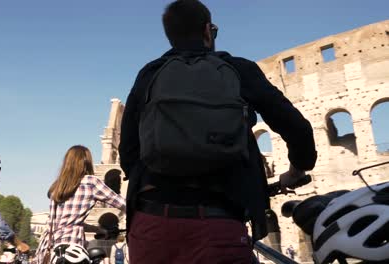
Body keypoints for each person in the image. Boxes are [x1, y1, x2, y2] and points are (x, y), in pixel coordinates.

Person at [118, 1, 317, 263]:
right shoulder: (237, 69)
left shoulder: (150, 74)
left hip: (153, 224)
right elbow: (297, 128)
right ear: (208, 31)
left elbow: (128, 153)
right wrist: (297, 170)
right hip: (217, 222)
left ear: (170, 35)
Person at [34, 145, 126, 263]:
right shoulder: (91, 182)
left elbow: (65, 222)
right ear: (86, 162)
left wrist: (98, 229)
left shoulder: (57, 186)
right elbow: (122, 203)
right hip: (71, 249)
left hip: (48, 248)